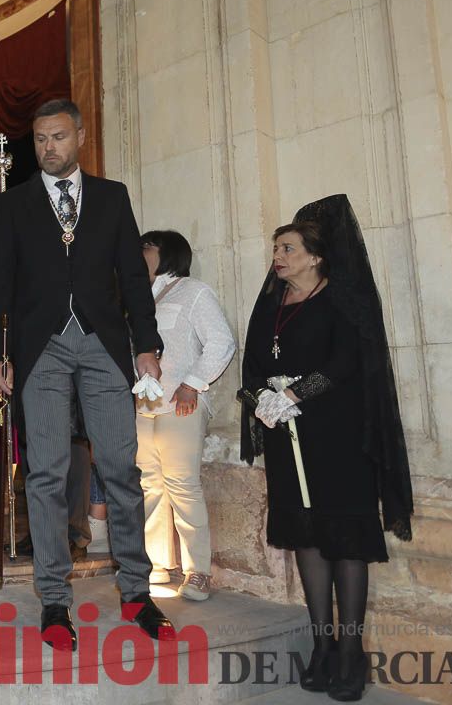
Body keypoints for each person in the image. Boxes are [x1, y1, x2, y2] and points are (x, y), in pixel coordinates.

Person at [0, 98, 172, 648]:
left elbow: (133, 280)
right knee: (44, 472)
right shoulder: (15, 204)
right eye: (40, 139)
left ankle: (136, 591)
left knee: (120, 467)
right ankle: (54, 600)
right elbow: (1, 287)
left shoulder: (112, 197)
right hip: (40, 347)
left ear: (80, 137)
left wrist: (147, 344)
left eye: (59, 137)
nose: (48, 147)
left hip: (102, 344)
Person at [240, 196, 412, 701]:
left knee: (345, 538)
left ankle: (352, 652)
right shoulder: (271, 304)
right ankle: (322, 646)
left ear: (315, 256)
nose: (279, 256)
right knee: (308, 537)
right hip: (284, 436)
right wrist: (259, 400)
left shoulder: (341, 299)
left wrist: (294, 394)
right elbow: (253, 361)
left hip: (336, 435)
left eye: (288, 248)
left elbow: (347, 361)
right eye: (275, 248)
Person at [135, 230, 235, 600]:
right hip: (144, 406)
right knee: (149, 485)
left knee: (182, 484)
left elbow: (221, 342)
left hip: (181, 403)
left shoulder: (193, 291)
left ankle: (197, 572)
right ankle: (158, 564)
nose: (138, 252)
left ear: (168, 253)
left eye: (146, 246)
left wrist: (192, 383)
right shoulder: (136, 298)